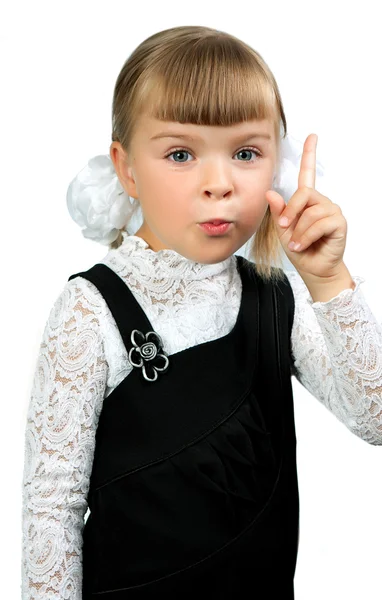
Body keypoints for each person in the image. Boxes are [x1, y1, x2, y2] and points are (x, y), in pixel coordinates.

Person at [21, 25, 382, 599]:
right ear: (127, 167)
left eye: (245, 153)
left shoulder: (275, 297)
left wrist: (329, 280)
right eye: (181, 154)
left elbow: (377, 419)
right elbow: (51, 512)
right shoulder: (89, 313)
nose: (219, 184)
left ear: (278, 166)